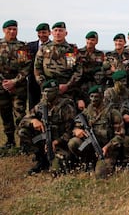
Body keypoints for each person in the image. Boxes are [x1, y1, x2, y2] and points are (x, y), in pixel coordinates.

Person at [18, 79, 76, 175]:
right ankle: (41, 158)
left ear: (57, 91)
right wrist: (33, 120)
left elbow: (71, 132)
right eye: (44, 91)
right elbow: (23, 121)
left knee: (56, 171)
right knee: (23, 132)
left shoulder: (66, 107)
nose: (46, 94)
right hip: (45, 141)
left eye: (49, 91)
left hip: (61, 143)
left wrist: (56, 142)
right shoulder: (41, 106)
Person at [68, 85, 124, 178]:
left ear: (102, 97)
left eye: (96, 96)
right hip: (91, 148)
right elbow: (75, 125)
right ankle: (86, 162)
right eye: (91, 96)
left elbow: (120, 136)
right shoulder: (87, 112)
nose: (94, 99)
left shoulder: (112, 112)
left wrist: (107, 147)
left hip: (108, 150)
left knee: (100, 175)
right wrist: (77, 130)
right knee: (73, 142)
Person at [0, 20, 31, 149]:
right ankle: (10, 141)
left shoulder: (22, 47)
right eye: (9, 29)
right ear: (4, 30)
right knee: (5, 114)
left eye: (14, 29)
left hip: (18, 87)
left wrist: (14, 81)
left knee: (20, 114)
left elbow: (26, 67)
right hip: (1, 86)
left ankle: (24, 142)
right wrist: (4, 82)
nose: (12, 31)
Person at [34, 21, 82, 98]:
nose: (58, 33)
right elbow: (37, 68)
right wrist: (44, 84)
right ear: (52, 33)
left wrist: (67, 85)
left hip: (67, 89)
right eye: (55, 31)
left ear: (66, 33)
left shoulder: (72, 50)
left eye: (60, 30)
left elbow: (78, 70)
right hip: (47, 88)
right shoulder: (44, 48)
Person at [77, 31, 105, 110]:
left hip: (95, 84)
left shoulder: (100, 54)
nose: (90, 42)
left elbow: (102, 68)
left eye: (92, 40)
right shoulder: (78, 52)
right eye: (88, 39)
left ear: (96, 41)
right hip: (81, 83)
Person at [27, 23, 50, 110]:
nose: (41, 35)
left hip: (48, 81)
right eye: (39, 33)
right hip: (33, 82)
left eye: (44, 32)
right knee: (33, 107)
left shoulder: (53, 46)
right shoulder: (30, 46)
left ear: (49, 33)